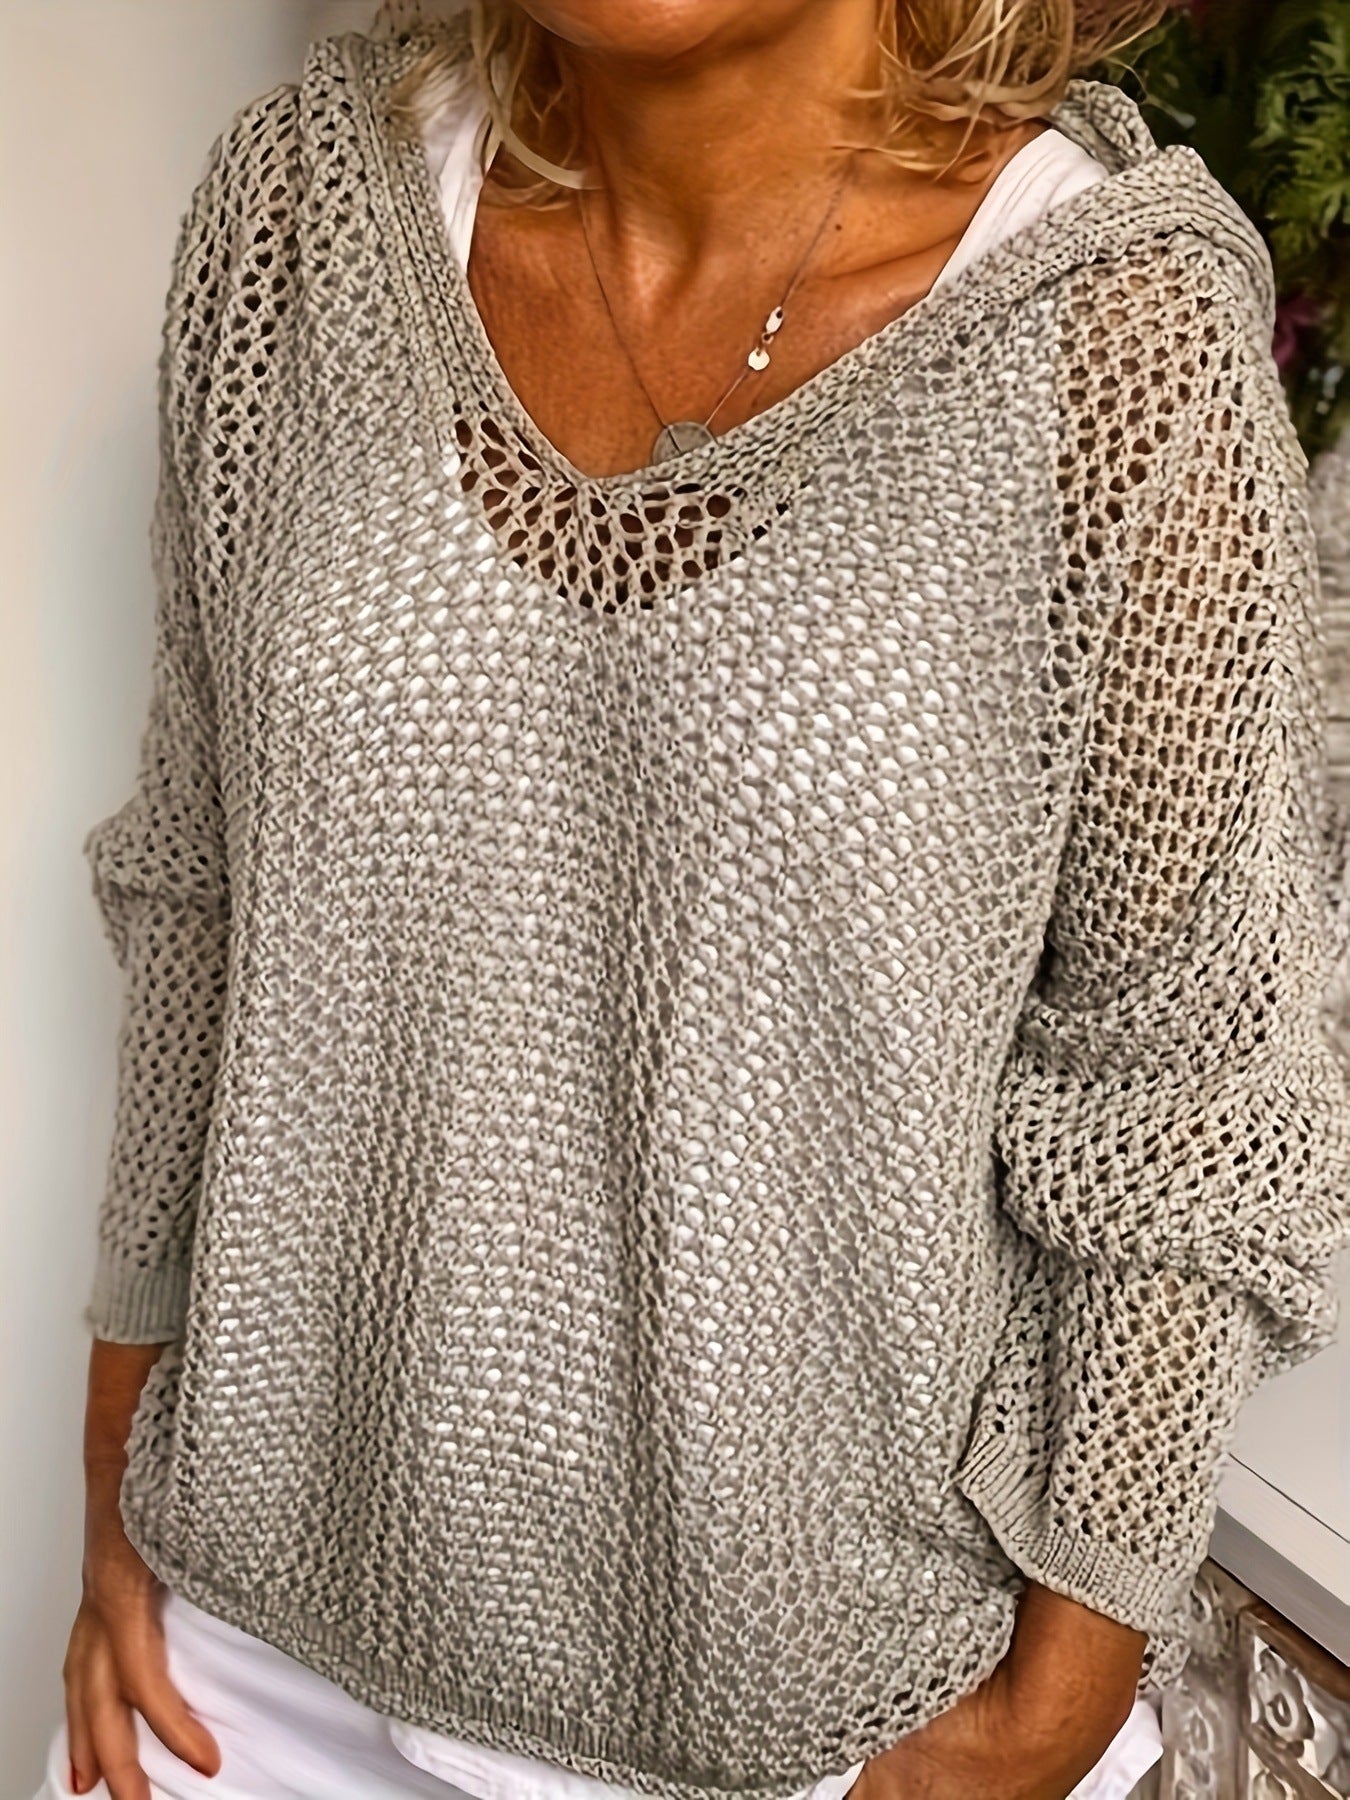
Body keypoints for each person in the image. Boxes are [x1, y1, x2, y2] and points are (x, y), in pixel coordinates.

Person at [39, 1, 1350, 1797]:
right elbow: (202, 884)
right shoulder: (300, 210)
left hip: (795, 1718)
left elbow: (1182, 1093)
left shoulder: (1110, 326)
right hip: (244, 1648)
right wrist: (111, 1490)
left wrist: (1056, 1694)